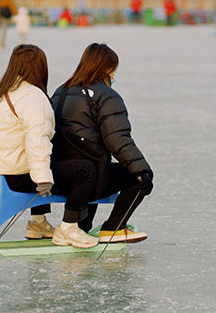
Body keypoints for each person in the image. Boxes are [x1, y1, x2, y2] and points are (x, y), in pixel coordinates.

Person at [51, 43, 154, 244]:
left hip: (57, 173)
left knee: (92, 160)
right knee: (139, 178)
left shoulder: (60, 91)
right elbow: (118, 138)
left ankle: (80, 228)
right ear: (107, 68)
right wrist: (142, 170)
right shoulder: (106, 95)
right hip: (88, 177)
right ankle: (113, 227)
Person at [0, 44, 63, 244]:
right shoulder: (33, 95)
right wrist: (42, 178)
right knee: (81, 171)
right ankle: (73, 227)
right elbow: (37, 139)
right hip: (14, 177)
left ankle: (38, 222)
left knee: (36, 161)